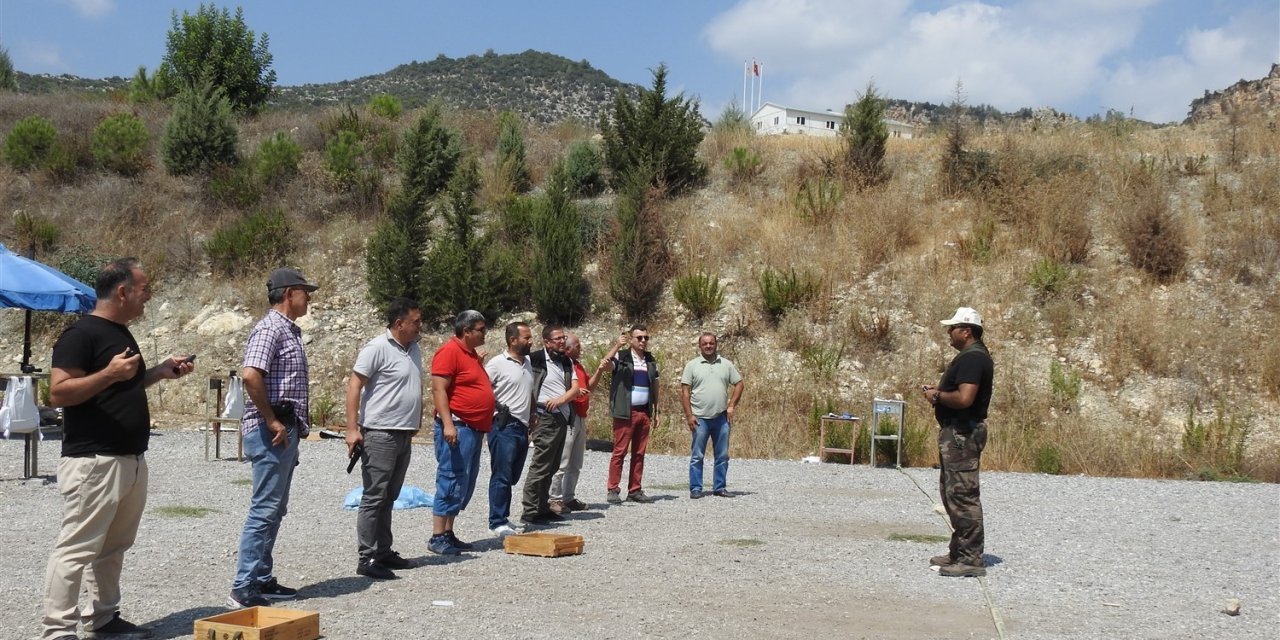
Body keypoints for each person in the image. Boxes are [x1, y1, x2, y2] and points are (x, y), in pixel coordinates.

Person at [41, 258, 195, 640]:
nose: (149, 297)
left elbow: (118, 388)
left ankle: (104, 619)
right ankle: (57, 630)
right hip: (94, 461)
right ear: (123, 291)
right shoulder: (81, 336)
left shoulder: (121, 333)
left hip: (129, 459)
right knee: (77, 548)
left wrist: (158, 372)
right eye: (145, 290)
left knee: (113, 547)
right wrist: (109, 372)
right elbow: (59, 392)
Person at [227, 267, 318, 608]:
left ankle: (261, 577)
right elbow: (251, 375)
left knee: (275, 508)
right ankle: (243, 584)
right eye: (304, 291)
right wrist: (271, 420)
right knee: (265, 509)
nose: (308, 297)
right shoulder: (269, 329)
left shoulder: (286, 331)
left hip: (281, 429)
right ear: (288, 293)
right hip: (271, 430)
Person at [344, 298, 424, 580]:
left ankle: (383, 550)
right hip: (380, 432)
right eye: (415, 322)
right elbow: (355, 385)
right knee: (374, 495)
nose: (420, 326)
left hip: (403, 432)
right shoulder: (377, 348)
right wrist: (352, 428)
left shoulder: (413, 348)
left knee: (389, 495)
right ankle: (366, 557)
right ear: (399, 323)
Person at [921, 307, 995, 578]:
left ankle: (970, 558)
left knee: (963, 496)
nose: (948, 333)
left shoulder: (973, 359)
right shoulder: (971, 357)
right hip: (957, 433)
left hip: (963, 434)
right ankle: (960, 550)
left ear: (966, 330)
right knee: (952, 493)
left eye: (952, 328)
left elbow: (965, 399)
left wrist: (937, 396)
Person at [428, 310, 495, 555]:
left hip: (473, 428)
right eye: (480, 329)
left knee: (463, 480)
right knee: (450, 477)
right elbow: (439, 390)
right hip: (459, 426)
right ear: (466, 331)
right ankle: (437, 536)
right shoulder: (449, 352)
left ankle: (448, 532)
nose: (484, 333)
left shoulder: (469, 354)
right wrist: (448, 424)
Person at [520, 325, 580, 525]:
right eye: (558, 339)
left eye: (563, 338)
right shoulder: (534, 359)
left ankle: (542, 507)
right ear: (546, 342)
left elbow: (576, 388)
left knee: (553, 464)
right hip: (544, 416)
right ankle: (530, 509)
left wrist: (562, 400)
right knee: (541, 463)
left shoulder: (566, 361)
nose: (562, 341)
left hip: (562, 417)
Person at [484, 322, 534, 538]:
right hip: (504, 426)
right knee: (502, 475)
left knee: (512, 475)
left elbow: (528, 390)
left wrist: (533, 413)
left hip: (522, 427)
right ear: (513, 340)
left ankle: (503, 516)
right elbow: (483, 391)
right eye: (526, 338)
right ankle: (496, 521)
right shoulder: (496, 364)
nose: (531, 341)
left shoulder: (527, 363)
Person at [599, 325, 659, 504]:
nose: (643, 341)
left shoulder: (650, 359)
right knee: (620, 452)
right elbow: (605, 364)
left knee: (639, 453)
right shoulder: (622, 356)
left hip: (644, 412)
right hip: (625, 412)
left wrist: (657, 411)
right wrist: (617, 346)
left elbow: (655, 385)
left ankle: (635, 490)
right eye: (639, 338)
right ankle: (613, 489)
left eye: (646, 338)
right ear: (631, 339)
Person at [681, 333, 744, 499]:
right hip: (700, 418)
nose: (708, 346)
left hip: (721, 418)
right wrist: (689, 415)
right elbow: (685, 392)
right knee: (697, 456)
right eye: (705, 344)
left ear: (716, 344)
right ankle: (696, 488)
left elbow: (739, 383)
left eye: (711, 343)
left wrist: (731, 406)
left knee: (722, 455)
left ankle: (720, 487)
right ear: (699, 346)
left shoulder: (726, 364)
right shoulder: (692, 365)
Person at [549, 333, 605, 514]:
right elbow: (562, 390)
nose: (581, 349)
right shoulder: (562, 366)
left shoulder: (578, 366)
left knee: (576, 461)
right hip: (569, 417)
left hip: (581, 416)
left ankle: (569, 497)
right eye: (577, 346)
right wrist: (574, 392)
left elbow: (589, 388)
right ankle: (554, 498)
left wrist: (600, 371)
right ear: (567, 348)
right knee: (562, 461)